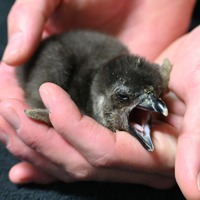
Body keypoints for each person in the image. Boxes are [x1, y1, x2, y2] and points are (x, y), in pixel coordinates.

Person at [0, 0, 199, 199]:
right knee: (52, 77)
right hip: (60, 62)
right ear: (103, 98)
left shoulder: (112, 54)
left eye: (155, 95)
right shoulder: (62, 72)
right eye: (122, 98)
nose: (154, 103)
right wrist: (46, 113)